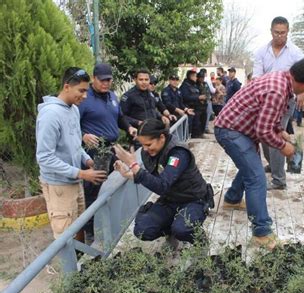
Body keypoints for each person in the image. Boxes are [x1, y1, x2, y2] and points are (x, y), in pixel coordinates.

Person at [214, 58, 304, 250]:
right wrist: (283, 146)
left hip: (241, 129)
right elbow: (263, 131)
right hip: (231, 130)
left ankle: (232, 199)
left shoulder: (281, 79)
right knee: (256, 178)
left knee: (250, 165)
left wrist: (280, 130)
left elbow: (266, 117)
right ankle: (261, 233)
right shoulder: (278, 90)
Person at [36, 67, 107, 240]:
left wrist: (88, 160)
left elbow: (75, 143)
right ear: (67, 87)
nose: (84, 96)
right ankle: (69, 267)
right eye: (81, 91)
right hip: (59, 185)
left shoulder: (73, 109)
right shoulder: (51, 115)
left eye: (86, 91)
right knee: (65, 237)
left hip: (75, 180)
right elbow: (44, 157)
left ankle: (80, 264)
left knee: (79, 227)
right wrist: (82, 173)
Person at [113, 119, 211, 244]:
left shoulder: (178, 153)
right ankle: (171, 230)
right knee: (142, 230)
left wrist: (133, 165)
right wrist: (127, 174)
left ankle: (200, 241)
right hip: (170, 200)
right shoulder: (147, 152)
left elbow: (162, 185)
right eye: (142, 145)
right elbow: (154, 178)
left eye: (148, 145)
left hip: (193, 199)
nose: (145, 149)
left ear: (162, 137)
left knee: (182, 229)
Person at [78, 63, 137, 243]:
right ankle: (90, 231)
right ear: (93, 79)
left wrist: (129, 127)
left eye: (109, 80)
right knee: (94, 190)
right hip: (94, 151)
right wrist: (83, 136)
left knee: (113, 185)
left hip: (112, 148)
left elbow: (119, 117)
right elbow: (71, 125)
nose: (106, 83)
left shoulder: (112, 96)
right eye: (102, 80)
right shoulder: (84, 98)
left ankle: (109, 223)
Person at [252, 16, 304, 190]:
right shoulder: (261, 52)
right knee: (263, 135)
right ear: (271, 31)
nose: (280, 36)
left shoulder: (296, 53)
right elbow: (256, 77)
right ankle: (274, 164)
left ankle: (278, 179)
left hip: (286, 101)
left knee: (274, 134)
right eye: (277, 32)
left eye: (283, 33)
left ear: (288, 32)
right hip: (265, 100)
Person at [180, 69, 207, 138]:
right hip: (189, 107)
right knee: (194, 124)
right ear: (191, 76)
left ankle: (199, 134)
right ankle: (194, 136)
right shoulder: (185, 86)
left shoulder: (194, 85)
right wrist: (198, 98)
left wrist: (200, 99)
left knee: (201, 121)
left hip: (198, 107)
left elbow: (196, 94)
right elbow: (185, 97)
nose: (196, 78)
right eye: (195, 76)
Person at [198, 68, 215, 134]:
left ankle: (205, 128)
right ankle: (205, 128)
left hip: (208, 100)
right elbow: (212, 90)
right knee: (205, 115)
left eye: (203, 77)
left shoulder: (205, 83)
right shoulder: (198, 84)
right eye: (201, 77)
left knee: (208, 114)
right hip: (202, 102)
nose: (202, 78)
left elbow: (209, 91)